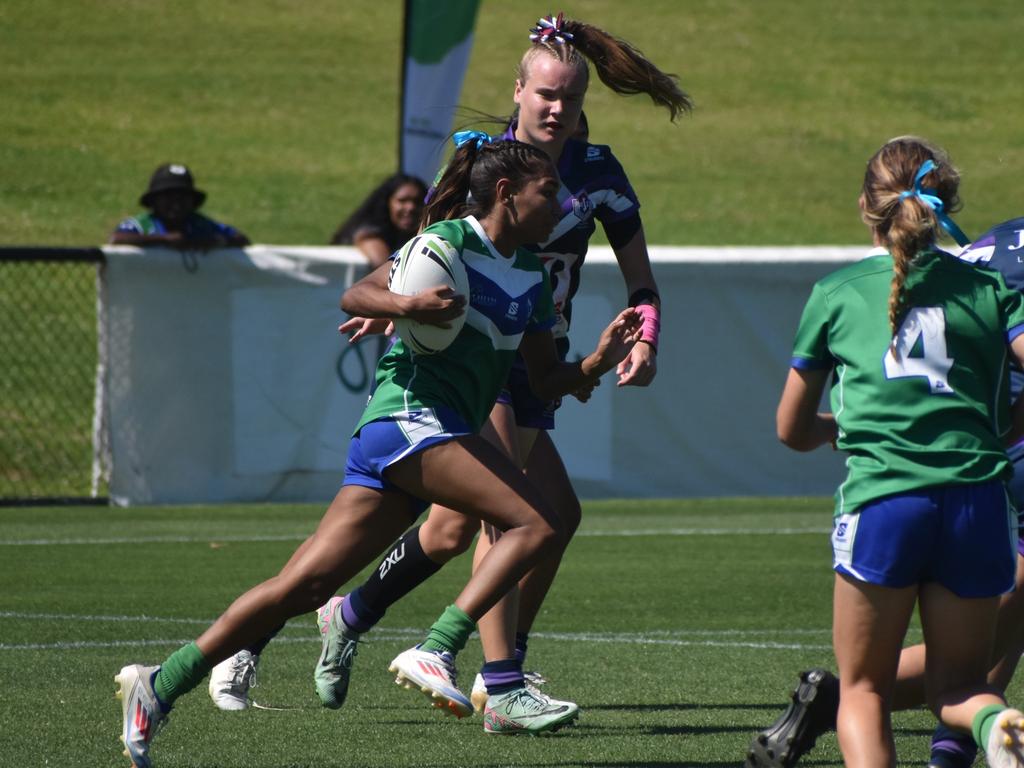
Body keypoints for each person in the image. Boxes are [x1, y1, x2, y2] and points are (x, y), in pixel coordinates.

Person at [115, 137, 644, 766]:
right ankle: (441, 647)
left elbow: (547, 379)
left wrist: (596, 361)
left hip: (425, 437)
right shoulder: (446, 242)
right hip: (406, 421)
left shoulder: (530, 274)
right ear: (506, 192)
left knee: (302, 586)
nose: (560, 202)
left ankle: (159, 683)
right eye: (548, 190)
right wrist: (406, 304)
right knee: (535, 520)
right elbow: (356, 294)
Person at [308, 11, 693, 724]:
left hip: (538, 355)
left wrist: (647, 337)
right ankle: (497, 677)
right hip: (475, 356)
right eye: (544, 94)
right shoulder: (483, 166)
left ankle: (357, 617)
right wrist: (390, 301)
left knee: (522, 520)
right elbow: (424, 254)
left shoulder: (600, 172)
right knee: (510, 518)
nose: (555, 108)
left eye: (570, 99)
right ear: (517, 89)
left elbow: (641, 282)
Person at [761, 136, 1024, 768]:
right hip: (977, 501)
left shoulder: (836, 292)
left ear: (865, 207)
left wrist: (835, 429)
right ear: (947, 204)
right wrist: (998, 429)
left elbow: (790, 428)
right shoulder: (989, 287)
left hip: (885, 500)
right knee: (962, 686)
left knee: (863, 689)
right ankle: (994, 723)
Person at [109, 163, 250, 249]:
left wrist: (209, 242)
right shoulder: (141, 225)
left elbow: (241, 239)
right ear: (155, 201)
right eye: (168, 197)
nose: (176, 204)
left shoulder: (201, 225)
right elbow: (117, 239)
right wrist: (164, 240)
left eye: (183, 197)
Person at [329, 173, 428, 267]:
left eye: (418, 201)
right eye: (402, 201)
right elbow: (385, 270)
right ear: (387, 203)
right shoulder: (370, 233)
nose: (411, 207)